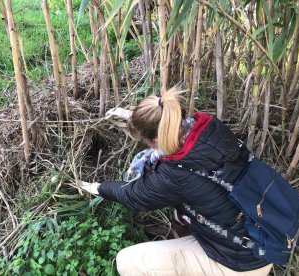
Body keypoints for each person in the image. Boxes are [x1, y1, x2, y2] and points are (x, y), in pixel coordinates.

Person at [80, 86, 273, 276]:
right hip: (263, 236)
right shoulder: (209, 129)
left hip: (240, 263)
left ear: (156, 138)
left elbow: (132, 195)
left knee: (128, 260)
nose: (147, 147)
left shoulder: (175, 173)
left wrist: (98, 187)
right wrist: (135, 118)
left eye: (147, 142)